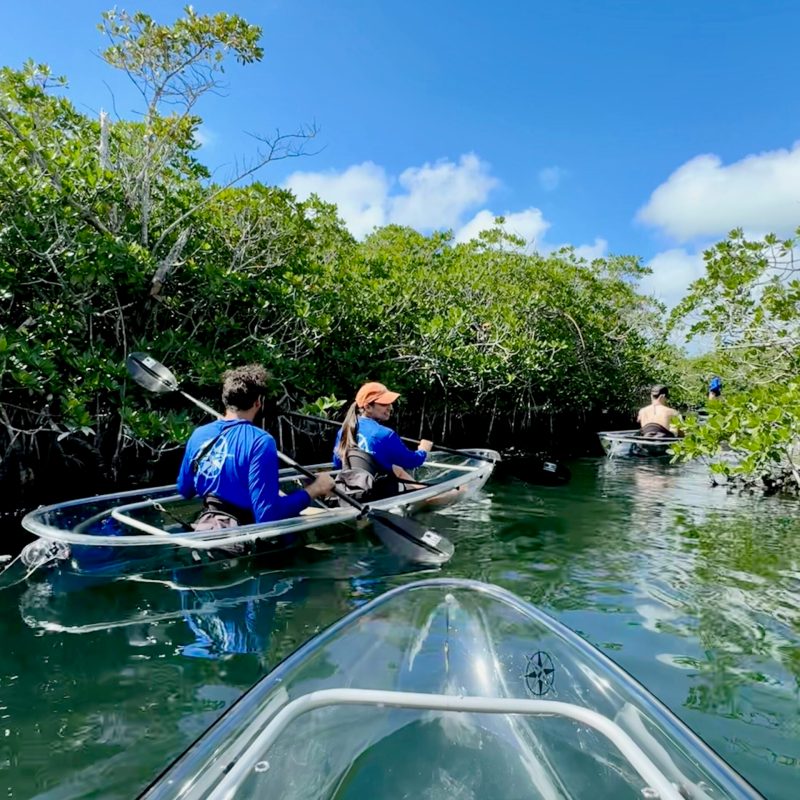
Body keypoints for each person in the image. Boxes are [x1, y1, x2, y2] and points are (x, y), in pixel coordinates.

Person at [177, 365, 334, 531]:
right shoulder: (261, 441)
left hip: (209, 526)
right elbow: (267, 516)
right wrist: (315, 490)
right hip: (246, 536)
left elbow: (185, 490)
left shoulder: (199, 434)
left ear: (225, 399)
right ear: (258, 402)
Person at [332, 381, 433, 499]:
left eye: (390, 403)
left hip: (350, 490)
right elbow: (413, 461)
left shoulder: (343, 431)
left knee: (396, 468)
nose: (390, 407)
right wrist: (423, 450)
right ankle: (437, 495)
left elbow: (337, 464)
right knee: (394, 468)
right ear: (368, 407)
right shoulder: (385, 434)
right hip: (378, 492)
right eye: (384, 404)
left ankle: (424, 492)